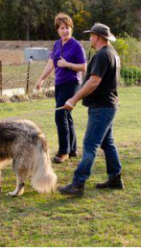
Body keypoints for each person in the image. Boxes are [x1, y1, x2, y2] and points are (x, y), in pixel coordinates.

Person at [58, 23, 124, 196]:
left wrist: (73, 99)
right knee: (106, 142)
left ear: (98, 37)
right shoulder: (113, 54)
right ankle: (115, 178)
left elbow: (94, 81)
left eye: (91, 36)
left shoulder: (102, 55)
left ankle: (78, 184)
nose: (89, 39)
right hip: (108, 106)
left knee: (89, 145)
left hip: (102, 107)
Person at [36, 13, 87, 164]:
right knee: (66, 116)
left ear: (72, 28)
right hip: (59, 84)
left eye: (68, 28)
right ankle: (72, 150)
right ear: (58, 30)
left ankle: (63, 151)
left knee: (60, 115)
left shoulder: (77, 46)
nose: (65, 31)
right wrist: (41, 79)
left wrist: (68, 65)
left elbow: (84, 66)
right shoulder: (57, 44)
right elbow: (51, 63)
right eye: (62, 28)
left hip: (72, 83)